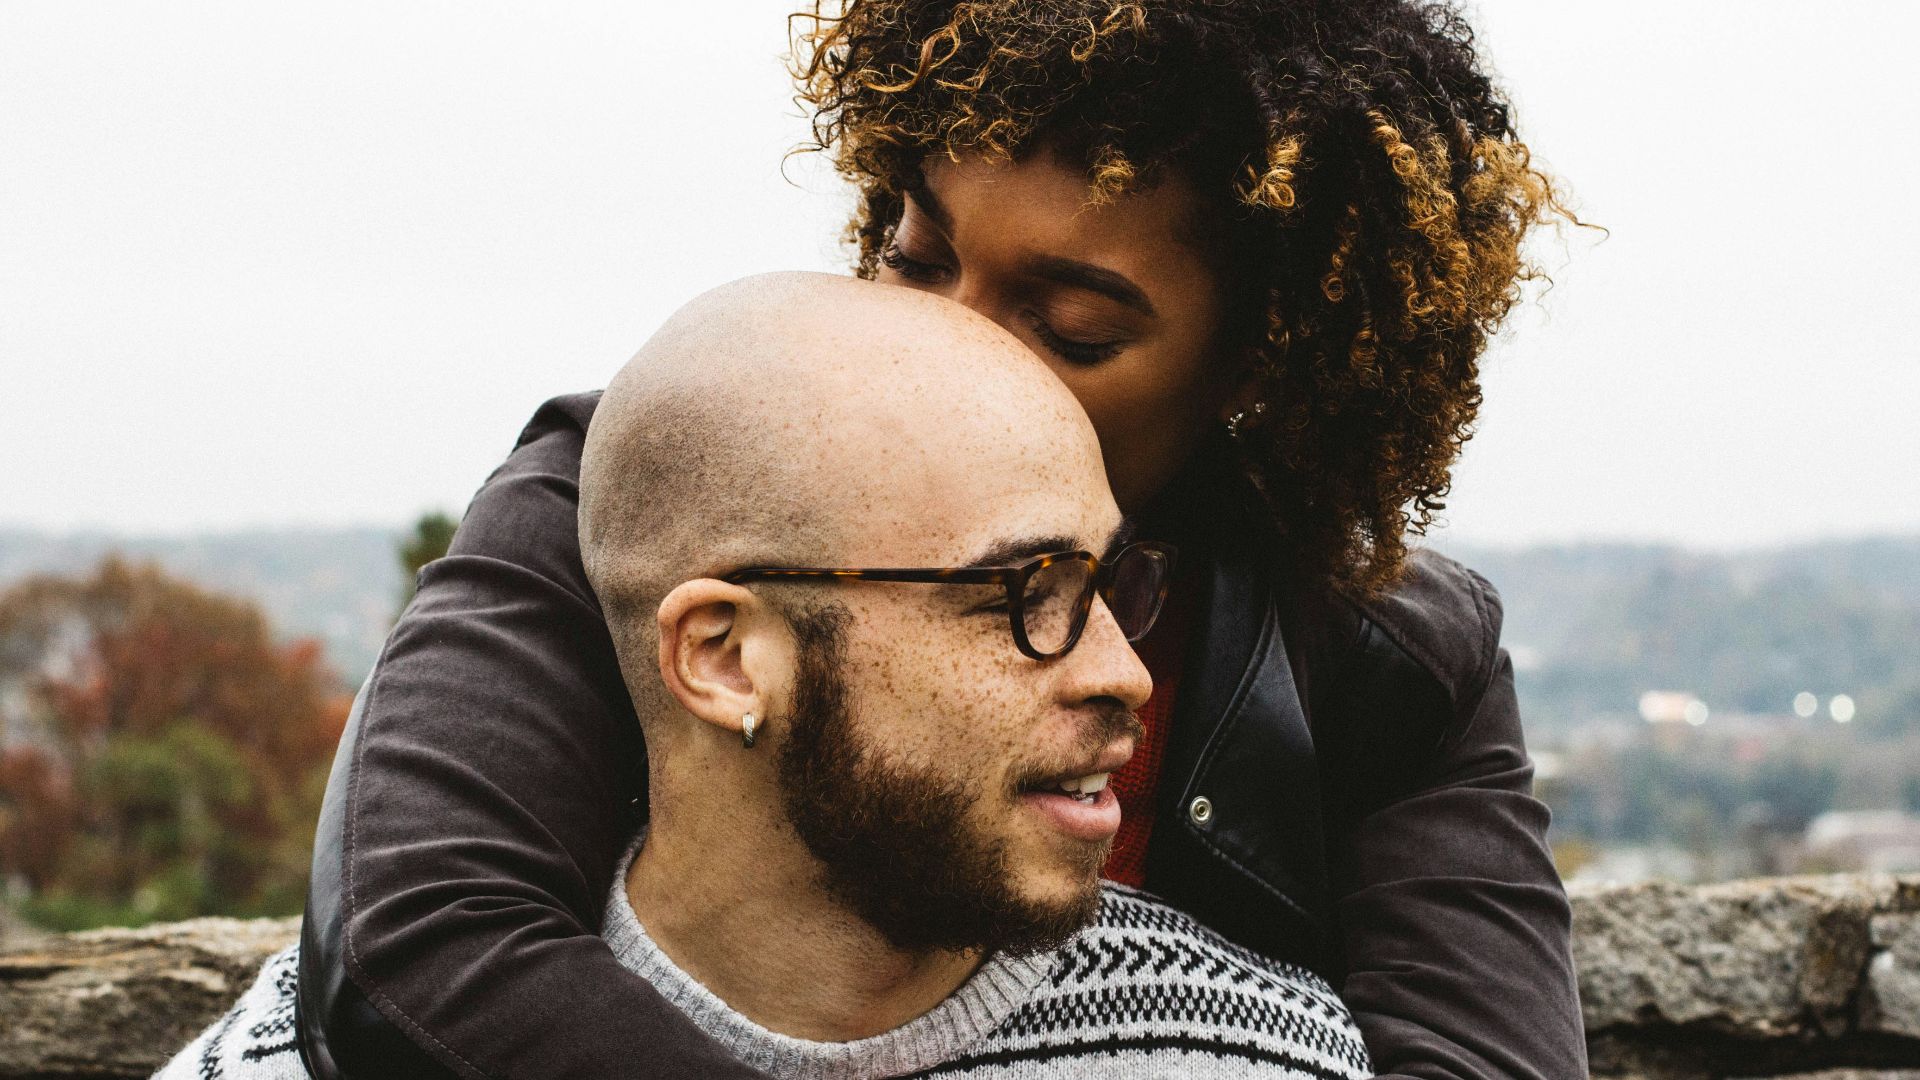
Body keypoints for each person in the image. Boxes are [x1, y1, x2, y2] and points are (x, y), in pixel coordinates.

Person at [296, 2, 1588, 1078]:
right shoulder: (647, 496)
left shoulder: (1391, 657)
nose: (955, 337)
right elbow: (417, 951)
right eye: (918, 260)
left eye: (1071, 324)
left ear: (1255, 366)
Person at [164, 275, 1372, 1080]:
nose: (1125, 674)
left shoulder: (1260, 1055)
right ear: (727, 658)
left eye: (1113, 584)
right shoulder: (293, 1065)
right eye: (1025, 595)